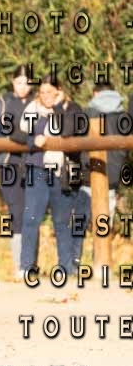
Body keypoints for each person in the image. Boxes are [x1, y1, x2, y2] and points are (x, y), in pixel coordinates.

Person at [12, 76, 84, 278]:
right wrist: (33, 140)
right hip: (36, 170)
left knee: (61, 221)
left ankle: (66, 267)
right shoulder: (32, 109)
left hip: (61, 172)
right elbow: (16, 134)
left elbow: (67, 131)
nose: (45, 96)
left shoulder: (71, 108)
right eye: (42, 92)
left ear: (59, 91)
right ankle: (26, 266)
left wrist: (58, 106)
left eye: (50, 92)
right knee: (31, 219)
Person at [0, 65, 33, 275]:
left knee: (32, 214)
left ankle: (30, 263)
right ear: (13, 82)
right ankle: (20, 264)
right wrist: (12, 138)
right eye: (19, 82)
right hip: (9, 164)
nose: (23, 87)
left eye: (27, 83)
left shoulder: (37, 103)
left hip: (33, 164)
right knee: (17, 212)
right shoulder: (2, 103)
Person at [73, 80, 125, 265]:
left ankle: (74, 261)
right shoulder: (123, 116)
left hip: (89, 174)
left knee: (80, 220)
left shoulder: (89, 113)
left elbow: (77, 142)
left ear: (95, 93)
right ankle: (101, 263)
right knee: (104, 222)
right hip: (113, 176)